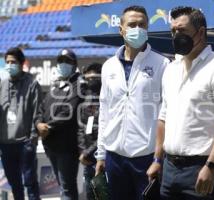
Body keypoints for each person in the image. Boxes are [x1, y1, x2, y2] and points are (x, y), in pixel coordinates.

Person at [147, 6, 214, 200]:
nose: (176, 35)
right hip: (169, 169)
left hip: (203, 168)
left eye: (181, 30)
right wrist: (158, 159)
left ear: (200, 33)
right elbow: (163, 117)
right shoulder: (171, 69)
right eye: (173, 31)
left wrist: (211, 166)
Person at [94, 5, 170, 200]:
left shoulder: (162, 64)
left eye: (142, 25)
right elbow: (104, 112)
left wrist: (158, 158)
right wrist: (101, 155)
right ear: (121, 29)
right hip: (114, 157)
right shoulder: (109, 66)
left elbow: (167, 114)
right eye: (132, 24)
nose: (137, 29)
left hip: (147, 158)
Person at [35, 49, 83, 200]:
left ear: (75, 65)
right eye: (61, 61)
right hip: (51, 145)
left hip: (66, 147)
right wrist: (38, 124)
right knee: (62, 187)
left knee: (67, 188)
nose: (63, 64)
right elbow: (42, 107)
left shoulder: (79, 84)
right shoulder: (56, 84)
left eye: (67, 61)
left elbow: (68, 112)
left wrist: (47, 127)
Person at [0, 47, 41, 200]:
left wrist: (32, 140)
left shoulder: (32, 84)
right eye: (7, 62)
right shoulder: (1, 85)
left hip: (25, 143)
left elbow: (37, 112)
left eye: (13, 62)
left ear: (22, 63)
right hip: (5, 144)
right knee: (14, 184)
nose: (10, 65)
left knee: (30, 183)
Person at [77, 63, 102, 200]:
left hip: (102, 160)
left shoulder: (108, 99)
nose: (89, 81)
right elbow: (81, 128)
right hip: (87, 161)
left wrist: (88, 152)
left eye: (93, 77)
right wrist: (82, 152)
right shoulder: (86, 101)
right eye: (87, 78)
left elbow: (106, 132)